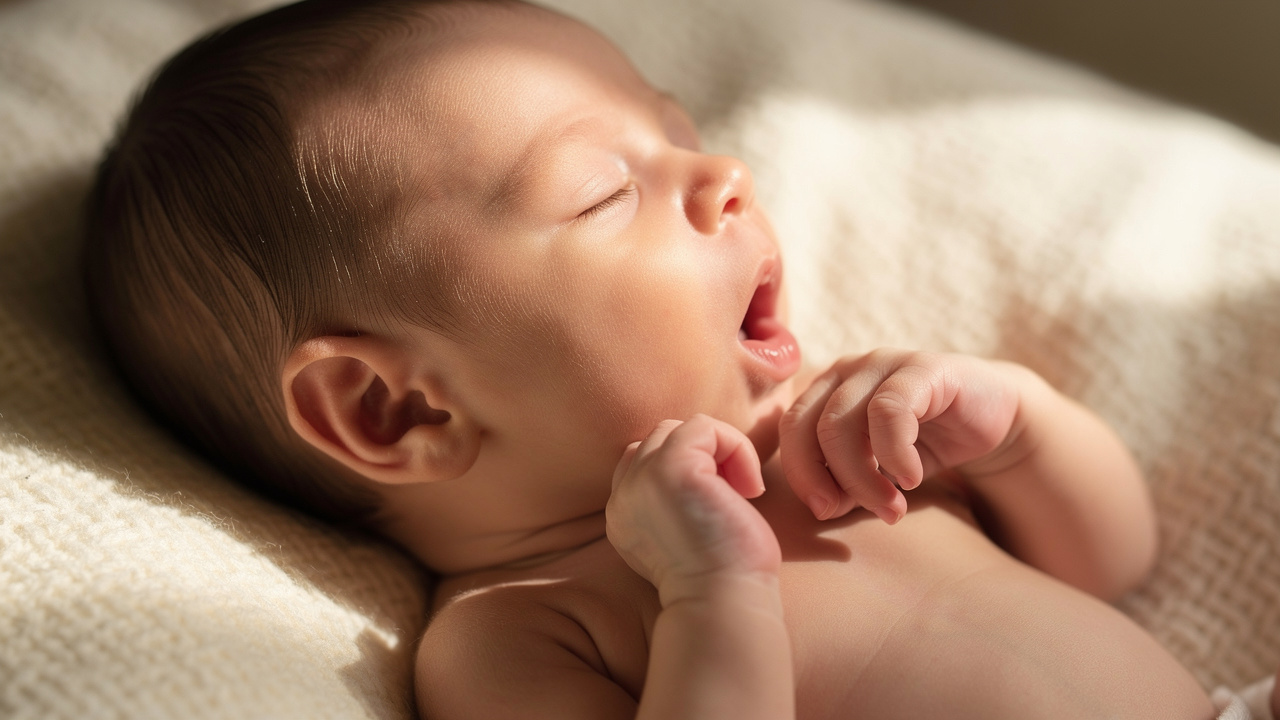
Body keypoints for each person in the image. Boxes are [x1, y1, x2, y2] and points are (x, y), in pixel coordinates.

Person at [82, 0, 1280, 717]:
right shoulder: (517, 633)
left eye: (680, 136)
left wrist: (1014, 431)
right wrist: (712, 596)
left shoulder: (834, 433)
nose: (721, 178)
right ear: (395, 410)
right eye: (606, 191)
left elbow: (1109, 562)